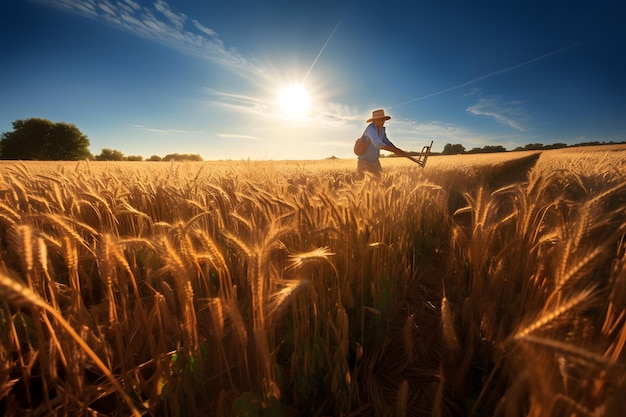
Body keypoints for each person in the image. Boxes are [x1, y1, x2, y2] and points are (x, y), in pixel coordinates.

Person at [357, 109, 412, 175]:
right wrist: (395, 150)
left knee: (380, 181)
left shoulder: (382, 130)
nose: (382, 122)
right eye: (379, 120)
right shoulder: (370, 129)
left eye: (383, 120)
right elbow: (377, 144)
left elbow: (386, 142)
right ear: (374, 121)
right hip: (364, 161)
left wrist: (397, 150)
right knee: (366, 183)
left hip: (375, 161)